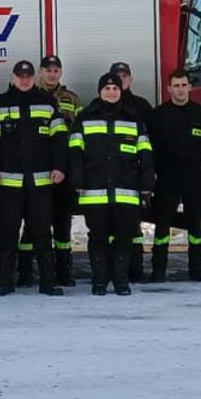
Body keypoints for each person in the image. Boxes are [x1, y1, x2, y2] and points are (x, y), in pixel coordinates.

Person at [0, 60, 67, 297]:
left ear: (34, 77)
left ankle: (48, 283)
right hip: (9, 183)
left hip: (40, 183)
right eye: (20, 76)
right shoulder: (0, 104)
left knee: (42, 233)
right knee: (8, 233)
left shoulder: (48, 102)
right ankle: (6, 281)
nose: (25, 79)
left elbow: (60, 139)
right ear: (13, 77)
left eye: (28, 75)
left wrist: (60, 167)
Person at [68, 73, 153, 296]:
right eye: (107, 89)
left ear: (121, 91)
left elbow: (145, 155)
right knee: (98, 238)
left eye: (115, 88)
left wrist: (146, 186)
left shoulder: (133, 119)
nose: (111, 92)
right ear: (99, 92)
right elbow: (75, 153)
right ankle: (99, 281)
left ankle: (121, 281)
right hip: (94, 191)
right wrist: (77, 181)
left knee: (124, 237)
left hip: (126, 190)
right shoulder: (84, 118)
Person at [147, 68, 201, 283]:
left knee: (196, 226)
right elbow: (153, 147)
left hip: (194, 176)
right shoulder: (158, 115)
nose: (180, 89)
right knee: (162, 225)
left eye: (184, 85)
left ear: (190, 87)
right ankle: (159, 270)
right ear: (169, 89)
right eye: (176, 86)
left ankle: (197, 269)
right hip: (167, 177)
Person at [34, 55, 82, 289]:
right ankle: (26, 271)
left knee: (63, 222)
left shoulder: (71, 99)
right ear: (40, 72)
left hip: (64, 169)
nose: (52, 74)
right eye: (48, 70)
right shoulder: (32, 97)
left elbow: (79, 133)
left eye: (56, 70)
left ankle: (64, 270)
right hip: (38, 169)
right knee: (36, 224)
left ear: (60, 73)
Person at [108, 61, 157, 282]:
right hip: (108, 177)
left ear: (130, 79)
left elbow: (150, 145)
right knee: (110, 227)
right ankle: (112, 270)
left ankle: (135, 269)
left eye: (125, 75)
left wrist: (147, 178)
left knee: (134, 227)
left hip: (133, 177)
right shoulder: (98, 107)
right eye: (117, 76)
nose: (121, 79)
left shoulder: (142, 106)